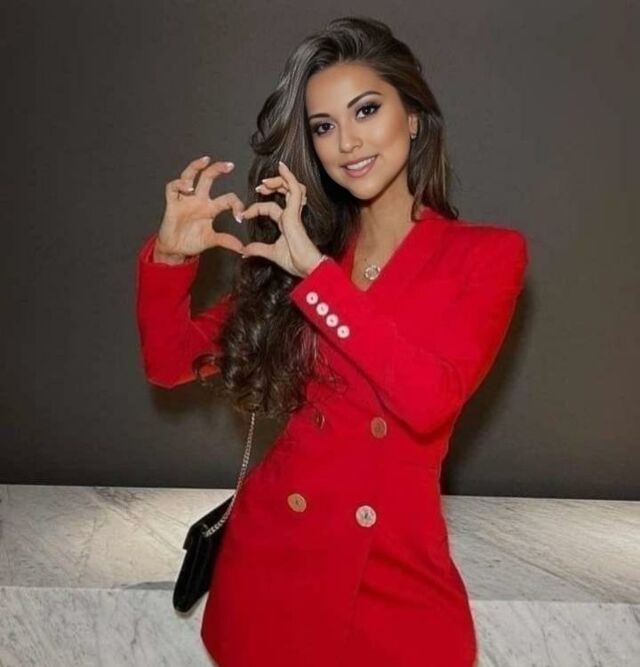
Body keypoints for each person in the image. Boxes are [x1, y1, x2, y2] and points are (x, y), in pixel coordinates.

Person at [136, 15, 528, 667]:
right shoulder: (302, 253)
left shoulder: (485, 255)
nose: (346, 142)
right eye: (323, 126)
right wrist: (172, 260)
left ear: (413, 116)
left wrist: (318, 280)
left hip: (395, 585)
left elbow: (428, 400)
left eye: (366, 110)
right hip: (269, 573)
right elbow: (170, 362)